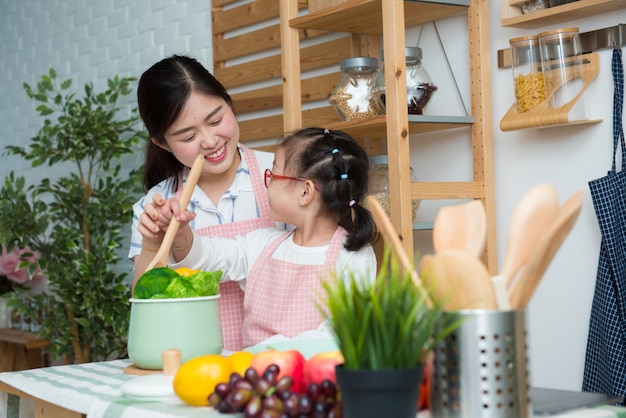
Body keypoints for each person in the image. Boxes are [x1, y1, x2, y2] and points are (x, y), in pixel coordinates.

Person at [138, 127, 378, 348]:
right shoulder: (262, 245)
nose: (267, 184)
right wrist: (181, 235)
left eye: (274, 175)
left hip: (312, 383)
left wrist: (265, 352)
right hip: (254, 380)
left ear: (304, 192)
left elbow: (338, 334)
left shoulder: (353, 257)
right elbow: (209, 257)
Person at [129, 55, 287, 351]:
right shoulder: (155, 205)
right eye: (188, 136)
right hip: (194, 366)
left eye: (216, 120)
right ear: (162, 143)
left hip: (277, 360)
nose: (210, 140)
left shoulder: (282, 177)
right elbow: (147, 310)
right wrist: (153, 242)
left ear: (229, 104)